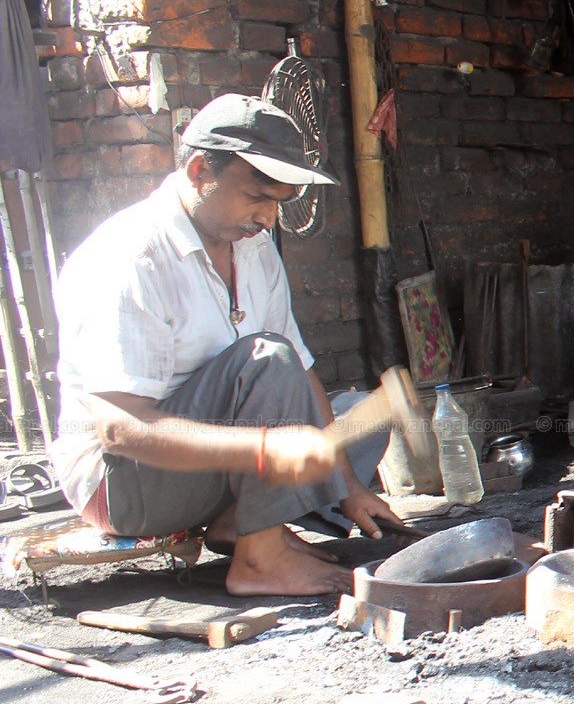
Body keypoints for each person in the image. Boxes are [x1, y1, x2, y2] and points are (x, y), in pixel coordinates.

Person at [50, 94, 400, 597]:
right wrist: (263, 449)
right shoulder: (129, 258)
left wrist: (349, 487)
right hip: (122, 484)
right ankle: (259, 560)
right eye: (257, 196)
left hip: (206, 471)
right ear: (198, 171)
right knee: (268, 365)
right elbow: (118, 429)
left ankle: (241, 523)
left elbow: (299, 373)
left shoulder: (254, 246)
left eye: (278, 202)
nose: (268, 218)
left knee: (353, 421)